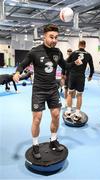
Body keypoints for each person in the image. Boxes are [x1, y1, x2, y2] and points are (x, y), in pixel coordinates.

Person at [13, 24, 81, 159]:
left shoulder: (57, 52)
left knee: (56, 115)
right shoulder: (34, 51)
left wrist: (75, 63)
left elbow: (65, 66)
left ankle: (53, 141)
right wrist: (17, 73)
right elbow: (22, 64)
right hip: (38, 90)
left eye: (56, 37)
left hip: (52, 89)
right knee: (37, 119)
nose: (54, 40)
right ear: (44, 36)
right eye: (51, 37)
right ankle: (35, 145)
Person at [65, 40, 94, 121]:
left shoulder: (73, 53)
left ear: (78, 45)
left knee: (70, 93)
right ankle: (77, 114)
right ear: (85, 45)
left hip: (72, 75)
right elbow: (92, 67)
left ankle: (68, 111)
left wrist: (64, 74)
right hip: (81, 76)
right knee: (79, 95)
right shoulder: (88, 55)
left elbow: (66, 64)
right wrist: (90, 76)